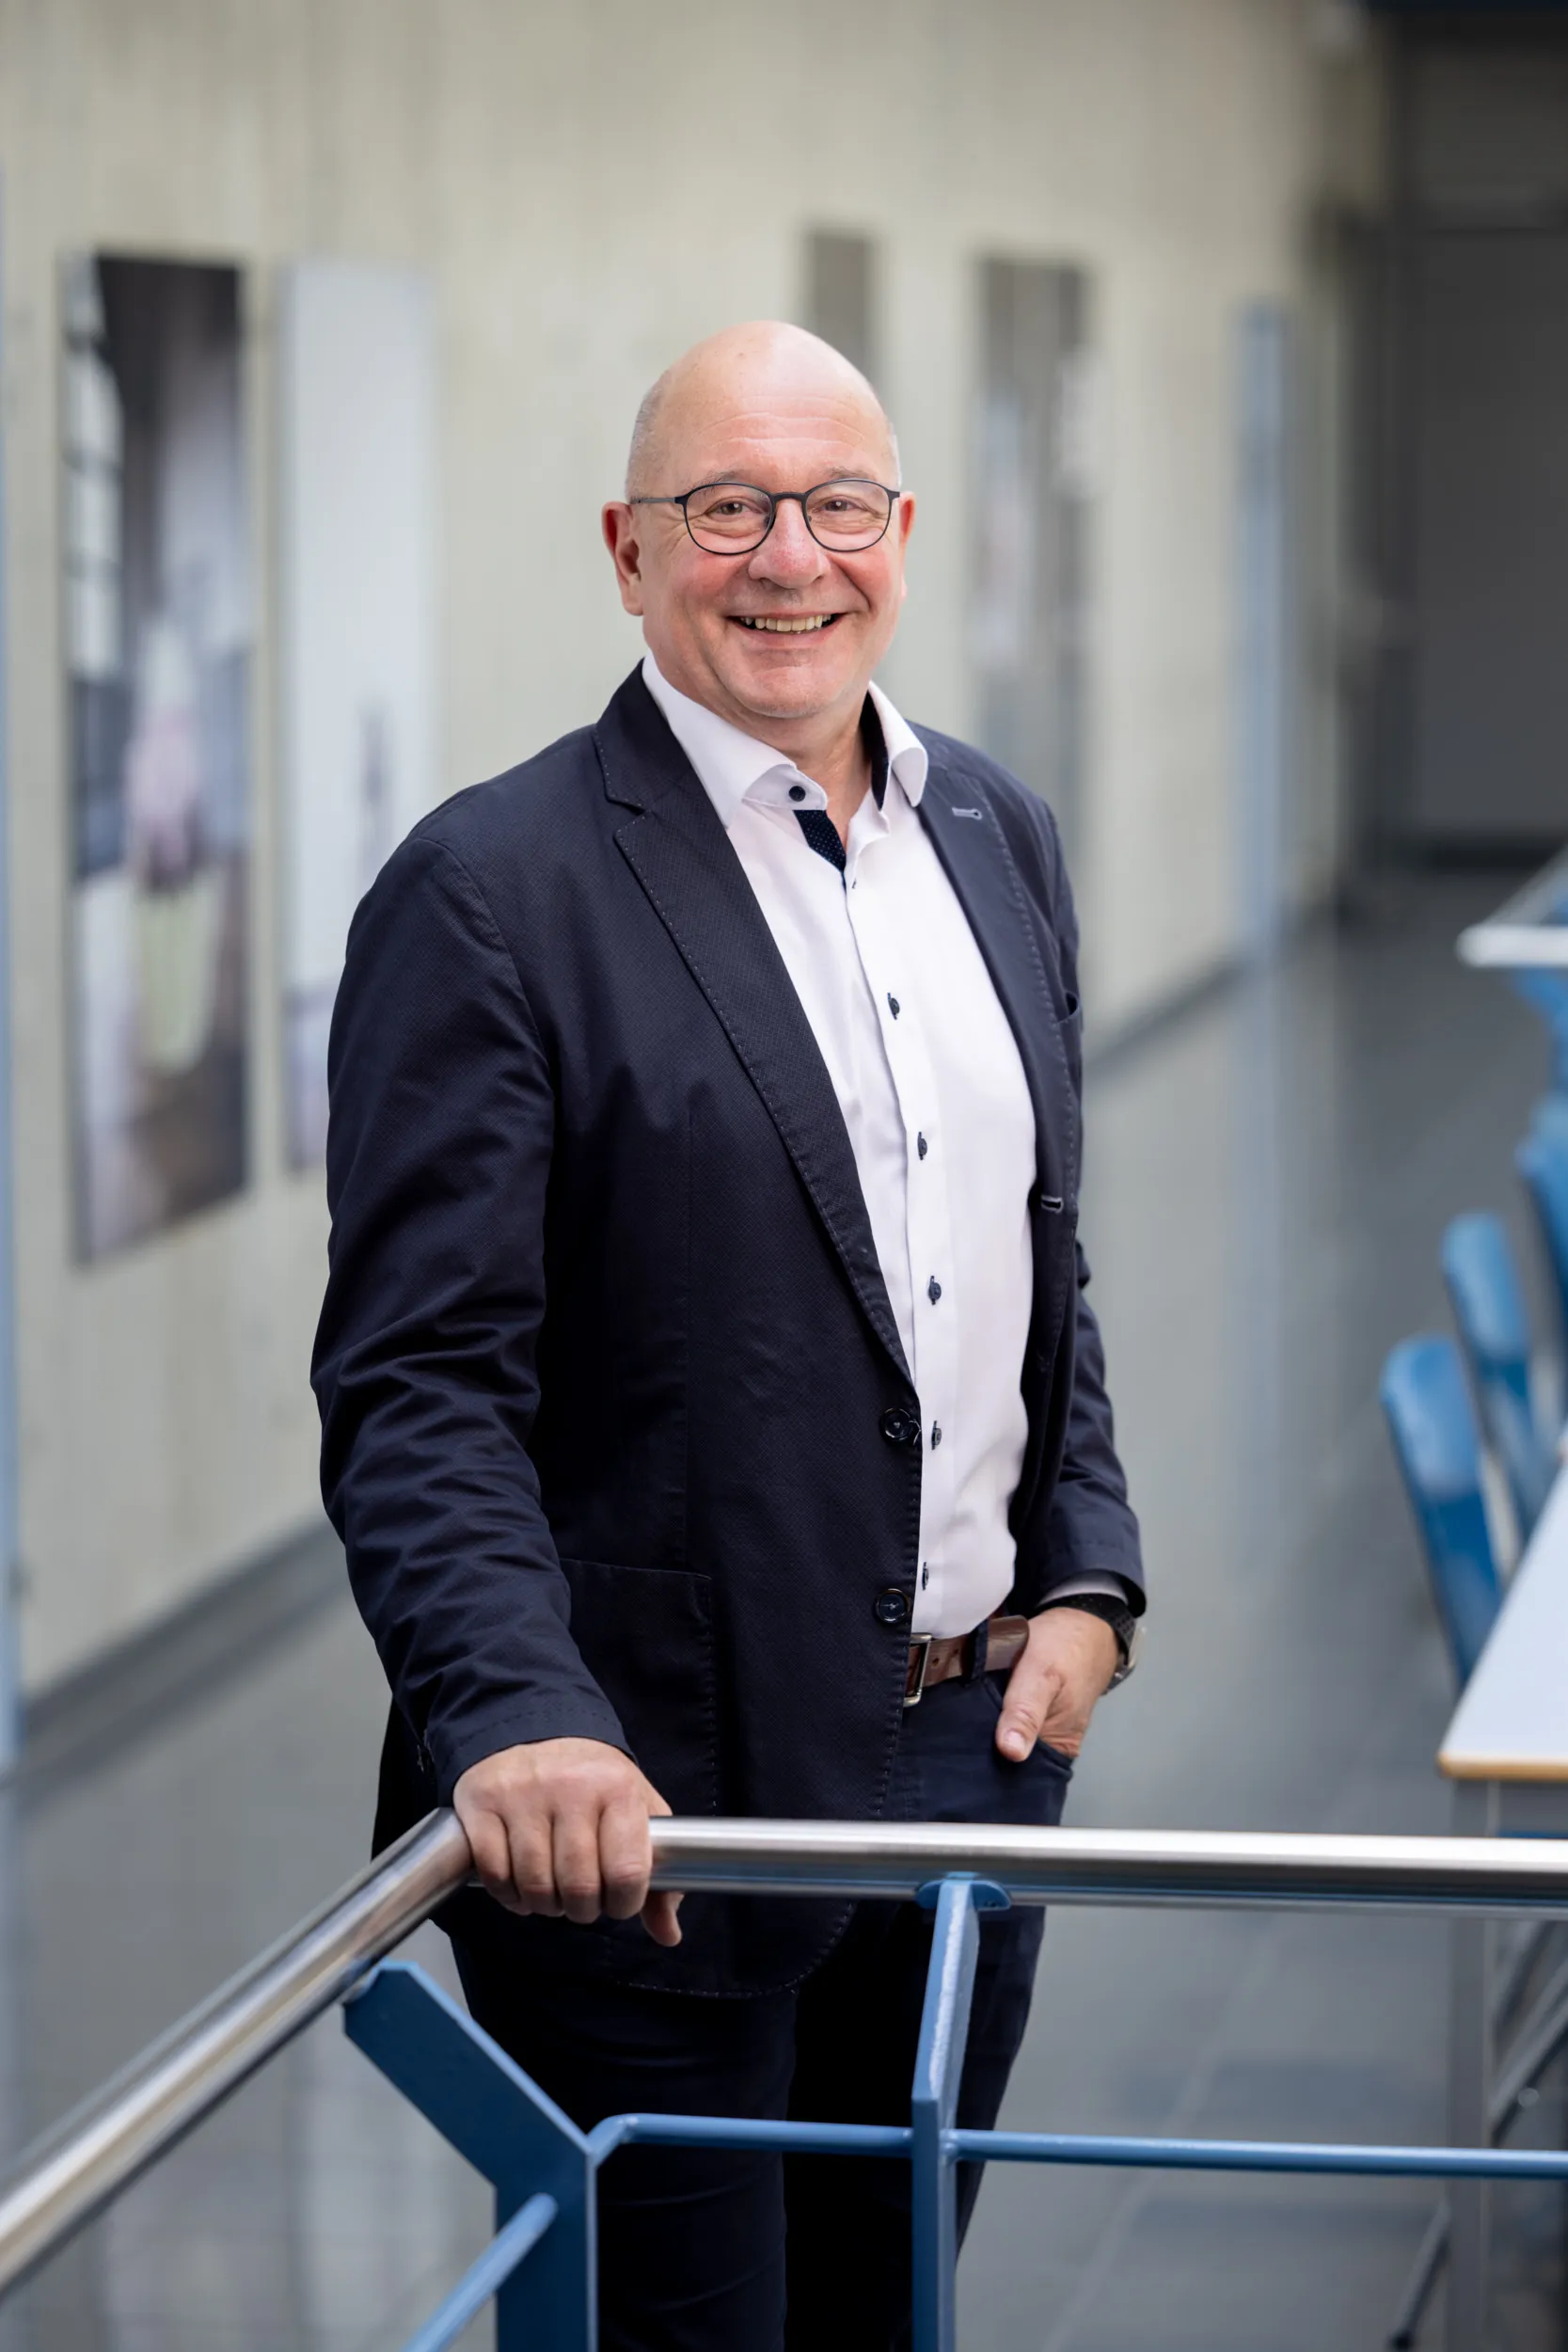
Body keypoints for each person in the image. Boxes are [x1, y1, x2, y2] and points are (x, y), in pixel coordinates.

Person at [313, 320, 1144, 2351]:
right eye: (724, 509)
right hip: (650, 1812)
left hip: (968, 1763)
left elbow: (1031, 1257)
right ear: (625, 547)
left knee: (891, 2306)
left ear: (901, 530)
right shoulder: (491, 891)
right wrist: (517, 1711)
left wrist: (1090, 1577)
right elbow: (420, 1380)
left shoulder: (994, 836)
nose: (788, 556)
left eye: (834, 503)